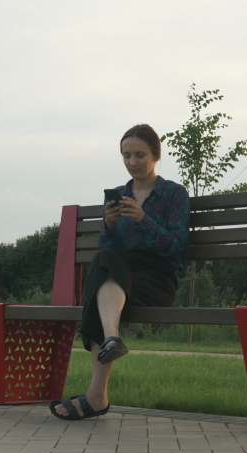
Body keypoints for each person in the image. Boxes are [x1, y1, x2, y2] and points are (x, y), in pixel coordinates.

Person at [49, 124, 190, 420]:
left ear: (156, 155)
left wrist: (144, 220)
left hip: (156, 279)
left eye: (140, 155)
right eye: (126, 156)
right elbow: (107, 247)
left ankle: (97, 395)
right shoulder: (119, 195)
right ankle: (112, 340)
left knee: (100, 284)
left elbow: (177, 247)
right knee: (104, 261)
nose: (132, 162)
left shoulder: (174, 194)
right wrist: (109, 225)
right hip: (120, 274)